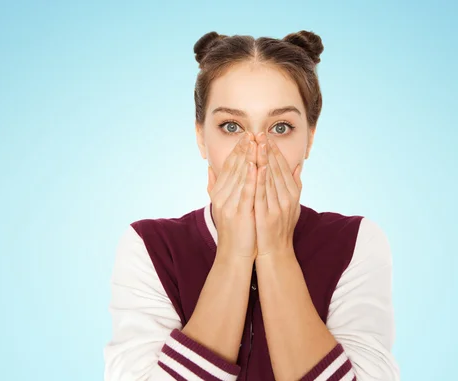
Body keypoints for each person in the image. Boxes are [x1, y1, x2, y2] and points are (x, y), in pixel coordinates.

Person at [104, 30, 400, 381]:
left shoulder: (356, 243)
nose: (257, 151)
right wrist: (234, 254)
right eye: (231, 126)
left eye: (280, 127)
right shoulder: (150, 247)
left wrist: (275, 252)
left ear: (310, 138)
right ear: (201, 136)